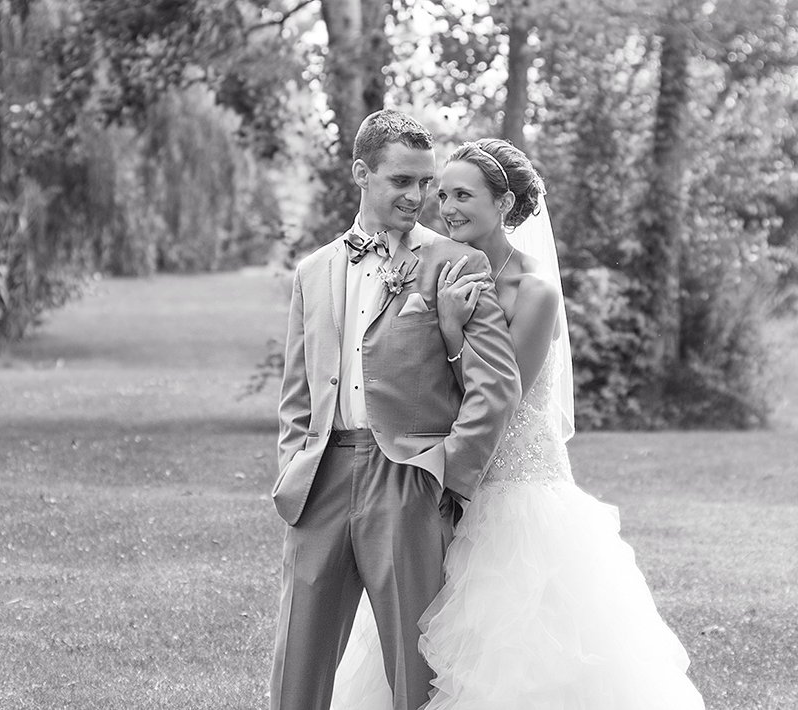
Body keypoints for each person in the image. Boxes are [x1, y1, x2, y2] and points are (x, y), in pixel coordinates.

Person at [330, 138, 706, 709]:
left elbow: (502, 397)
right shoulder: (432, 270)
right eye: (443, 193)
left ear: (504, 205)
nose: (446, 207)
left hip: (516, 496)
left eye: (464, 195)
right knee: (419, 649)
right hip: (439, 482)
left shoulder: (536, 291)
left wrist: (453, 334)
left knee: (513, 659)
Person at [269, 112, 523, 710]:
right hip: (321, 480)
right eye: (401, 181)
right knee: (297, 664)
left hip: (408, 479)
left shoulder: (456, 263)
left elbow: (497, 387)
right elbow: (297, 394)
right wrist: (291, 468)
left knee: (416, 669)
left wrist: (449, 477)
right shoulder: (314, 271)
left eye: (425, 183)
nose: (417, 196)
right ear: (361, 174)